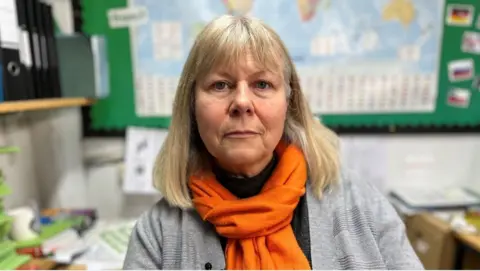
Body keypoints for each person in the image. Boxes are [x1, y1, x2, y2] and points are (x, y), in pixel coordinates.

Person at [123, 15, 423, 270]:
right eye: (220, 85)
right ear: (191, 106)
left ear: (289, 103)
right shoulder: (156, 235)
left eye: (262, 84)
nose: (242, 102)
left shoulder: (362, 204)